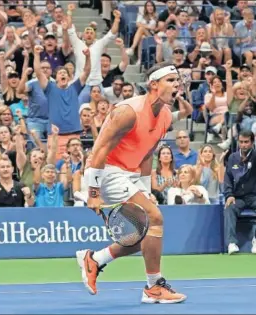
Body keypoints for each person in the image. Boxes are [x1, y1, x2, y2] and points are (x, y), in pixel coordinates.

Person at [77, 61, 186, 303]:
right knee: (155, 218)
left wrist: (145, 190)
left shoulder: (166, 116)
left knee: (145, 235)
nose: (176, 84)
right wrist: (93, 192)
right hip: (107, 171)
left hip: (131, 173)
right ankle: (154, 287)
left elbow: (147, 153)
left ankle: (95, 260)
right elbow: (99, 149)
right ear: (153, 85)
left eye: (177, 80)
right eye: (170, 80)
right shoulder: (128, 111)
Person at [224, 131, 256, 255]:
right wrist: (229, 195)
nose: (244, 145)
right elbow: (228, 177)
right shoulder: (232, 157)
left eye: (246, 142)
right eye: (241, 142)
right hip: (238, 197)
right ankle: (231, 243)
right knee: (229, 207)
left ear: (251, 143)